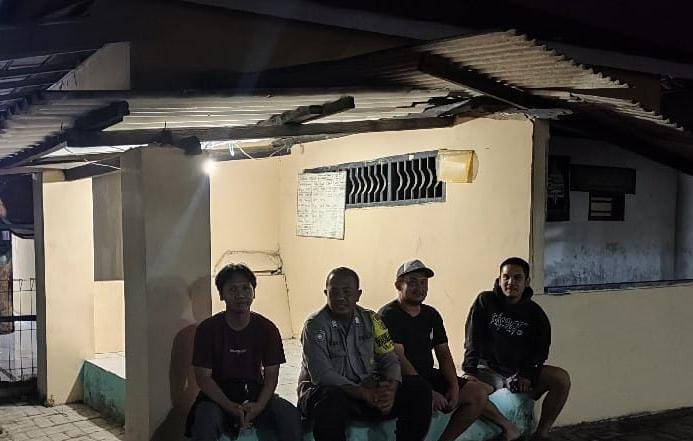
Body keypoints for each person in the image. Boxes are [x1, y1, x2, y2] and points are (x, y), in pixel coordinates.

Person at [298, 267, 433, 441]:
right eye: (334, 292)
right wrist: (364, 393)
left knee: (419, 388)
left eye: (347, 292)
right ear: (326, 293)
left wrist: (391, 389)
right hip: (335, 394)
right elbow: (323, 375)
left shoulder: (372, 319)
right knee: (330, 399)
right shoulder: (315, 325)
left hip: (367, 391)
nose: (340, 297)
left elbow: (389, 357)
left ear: (358, 294)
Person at [186, 264, 302, 441]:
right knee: (205, 421)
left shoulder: (267, 328)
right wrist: (230, 407)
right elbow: (203, 378)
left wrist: (259, 405)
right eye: (232, 289)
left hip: (255, 394)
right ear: (221, 294)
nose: (240, 295)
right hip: (218, 397)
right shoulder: (208, 330)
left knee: (289, 415)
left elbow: (271, 375)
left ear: (254, 292)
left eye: (246, 288)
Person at [379, 259, 489, 441]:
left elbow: (443, 353)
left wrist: (453, 386)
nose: (419, 287)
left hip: (427, 375)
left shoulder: (431, 315)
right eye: (413, 282)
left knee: (478, 393)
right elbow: (398, 358)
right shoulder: (388, 315)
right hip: (403, 381)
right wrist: (428, 392)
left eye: (423, 282)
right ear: (398, 285)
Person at [463, 257, 571, 441]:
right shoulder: (485, 301)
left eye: (517, 277)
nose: (510, 282)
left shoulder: (535, 314)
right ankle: (508, 428)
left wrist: (527, 374)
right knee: (470, 391)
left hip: (518, 372)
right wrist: (469, 370)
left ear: (527, 282)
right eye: (506, 277)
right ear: (499, 279)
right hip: (488, 368)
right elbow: (472, 338)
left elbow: (540, 350)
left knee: (561, 378)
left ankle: (542, 434)